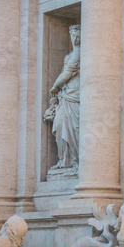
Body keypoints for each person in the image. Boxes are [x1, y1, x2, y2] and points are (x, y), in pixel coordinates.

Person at [48, 25, 81, 169]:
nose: (75, 38)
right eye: (72, 35)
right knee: (61, 124)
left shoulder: (79, 53)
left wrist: (54, 87)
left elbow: (67, 73)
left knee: (75, 127)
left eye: (77, 35)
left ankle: (75, 160)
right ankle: (64, 160)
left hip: (75, 95)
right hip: (66, 95)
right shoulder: (71, 54)